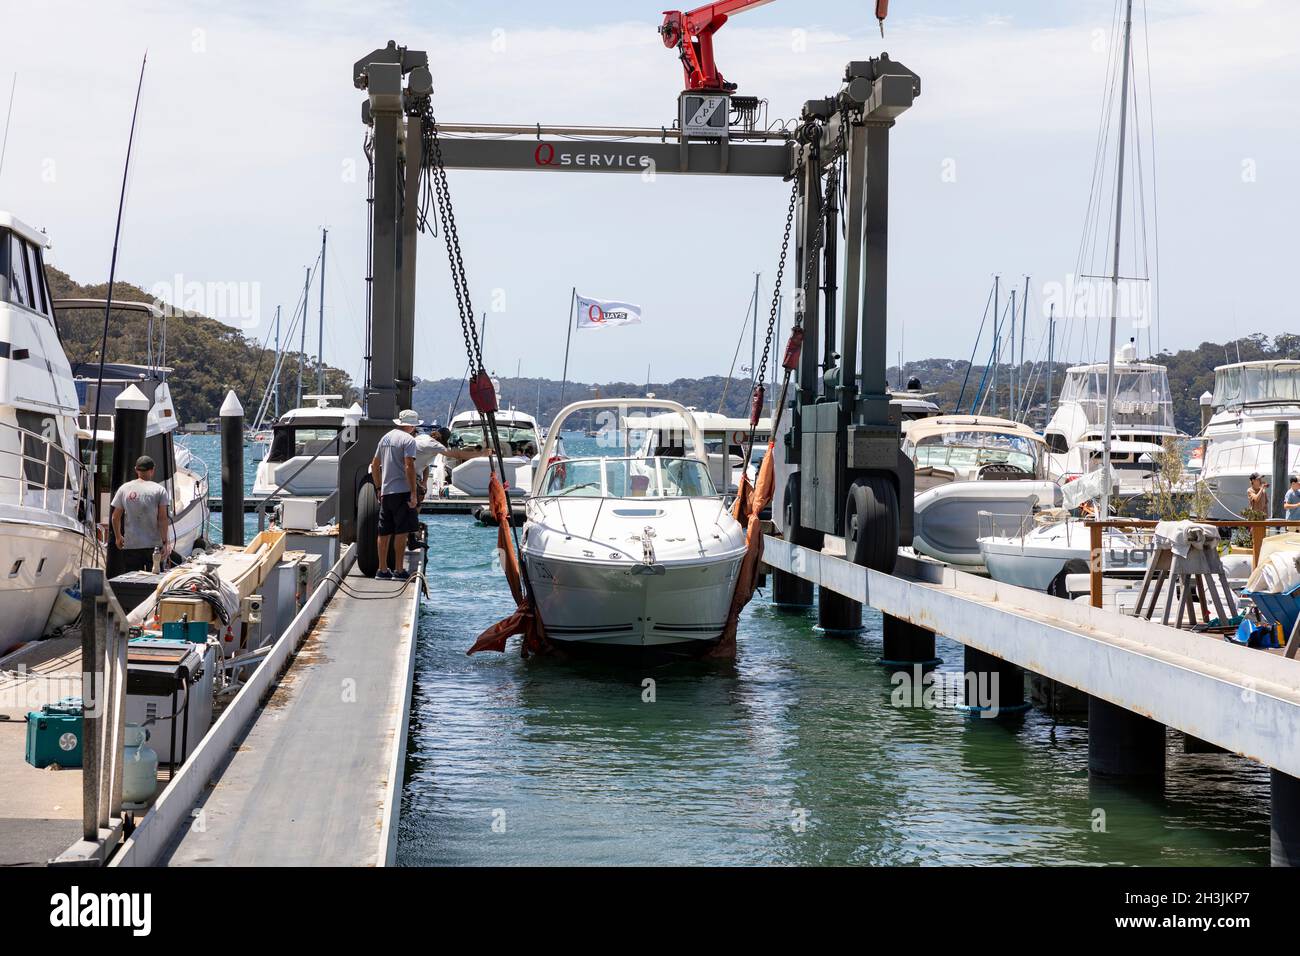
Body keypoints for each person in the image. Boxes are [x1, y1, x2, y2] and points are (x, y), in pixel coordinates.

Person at [371, 410, 422, 580]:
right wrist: (414, 492)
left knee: (383, 532)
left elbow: (375, 464)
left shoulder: (385, 438)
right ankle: (399, 570)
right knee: (402, 531)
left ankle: (382, 569)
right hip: (402, 491)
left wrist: (379, 488)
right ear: (411, 425)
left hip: (386, 492)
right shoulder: (408, 440)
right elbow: (409, 466)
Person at [111, 455, 172, 573]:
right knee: (154, 579)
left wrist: (118, 537)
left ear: (136, 470)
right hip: (154, 546)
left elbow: (115, 517)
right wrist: (165, 543)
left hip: (131, 545)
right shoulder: (159, 490)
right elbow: (162, 519)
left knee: (132, 581)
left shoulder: (124, 488)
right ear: (152, 470)